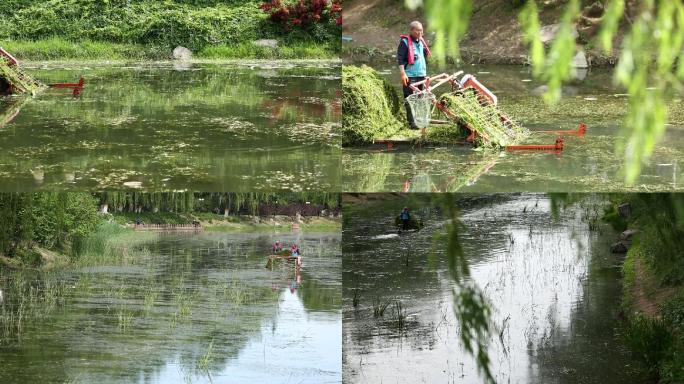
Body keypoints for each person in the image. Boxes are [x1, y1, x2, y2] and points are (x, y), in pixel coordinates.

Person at [397, 21, 431, 129]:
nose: (420, 32)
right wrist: (403, 74)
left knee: (419, 99)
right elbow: (400, 59)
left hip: (421, 75)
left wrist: (425, 74)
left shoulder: (421, 42)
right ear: (411, 30)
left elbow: (423, 59)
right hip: (410, 76)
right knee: (410, 99)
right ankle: (412, 123)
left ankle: (418, 120)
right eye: (417, 30)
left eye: (421, 30)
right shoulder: (405, 42)